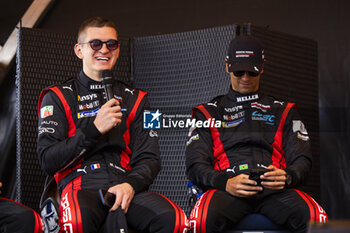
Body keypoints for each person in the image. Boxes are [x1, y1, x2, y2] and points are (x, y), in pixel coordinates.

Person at [37, 17, 187, 233]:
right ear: (79, 50)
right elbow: (47, 160)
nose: (104, 50)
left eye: (111, 44)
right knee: (76, 222)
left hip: (124, 185)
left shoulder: (140, 98)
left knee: (177, 221)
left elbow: (151, 159)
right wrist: (93, 129)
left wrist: (130, 185)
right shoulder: (56, 97)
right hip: (81, 186)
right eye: (95, 44)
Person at [185, 35, 328, 233]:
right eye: (239, 71)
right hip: (227, 190)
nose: (245, 78)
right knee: (198, 222)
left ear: (262, 67)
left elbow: (302, 158)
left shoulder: (284, 111)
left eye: (251, 72)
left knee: (318, 222)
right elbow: (195, 165)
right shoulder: (208, 112)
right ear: (227, 66)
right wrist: (225, 182)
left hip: (274, 191)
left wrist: (287, 176)